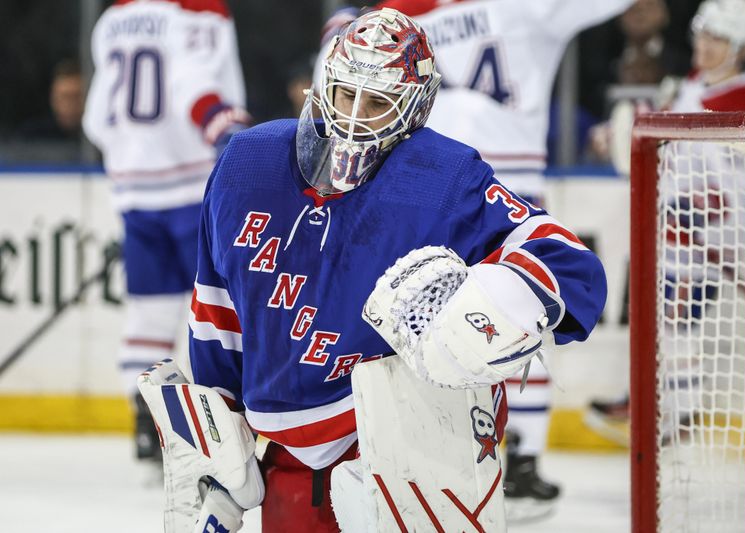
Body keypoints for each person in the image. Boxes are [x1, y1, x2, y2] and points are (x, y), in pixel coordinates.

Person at [185, 8, 606, 532]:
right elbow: (218, 314)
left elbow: (571, 263)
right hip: (288, 467)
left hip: (415, 464)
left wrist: (495, 297)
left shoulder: (442, 176)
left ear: (414, 110)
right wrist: (219, 454)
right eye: (346, 95)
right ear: (323, 85)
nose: (355, 118)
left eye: (379, 103)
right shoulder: (247, 165)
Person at [358, 0, 631, 509]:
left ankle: (439, 459)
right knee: (509, 315)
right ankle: (516, 461)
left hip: (434, 176)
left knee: (430, 312)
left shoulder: (405, 12)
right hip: (487, 179)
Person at [586, 0, 745, 441]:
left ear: (743, 49)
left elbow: (737, 191)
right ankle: (650, 401)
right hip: (676, 233)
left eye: (719, 39)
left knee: (676, 323)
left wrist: (692, 214)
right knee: (660, 319)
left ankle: (676, 414)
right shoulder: (696, 82)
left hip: (702, 241)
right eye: (703, 34)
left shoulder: (740, 101)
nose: (704, 46)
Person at [82, 0, 248, 465]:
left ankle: (146, 422)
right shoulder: (199, 10)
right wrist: (228, 133)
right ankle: (231, 422)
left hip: (134, 188)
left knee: (149, 313)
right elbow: (194, 86)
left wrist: (135, 155)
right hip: (196, 184)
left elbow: (97, 118)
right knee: (224, 309)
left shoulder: (114, 18)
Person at [18, 59, 84, 142]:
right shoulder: (33, 135)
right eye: (64, 97)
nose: (69, 105)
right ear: (53, 99)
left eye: (76, 97)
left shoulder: (98, 133)